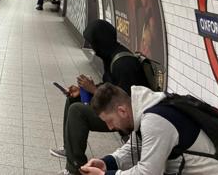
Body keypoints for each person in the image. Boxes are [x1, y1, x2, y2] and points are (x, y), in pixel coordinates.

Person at [51, 19, 149, 175]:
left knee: (77, 111)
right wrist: (85, 90)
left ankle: (76, 169)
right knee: (73, 99)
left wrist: (93, 89)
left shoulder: (123, 64)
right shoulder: (111, 55)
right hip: (116, 110)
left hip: (125, 119)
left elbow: (124, 104)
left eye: (92, 43)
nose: (92, 48)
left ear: (100, 42)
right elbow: (109, 86)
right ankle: (69, 149)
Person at [80, 83, 218, 175]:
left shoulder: (155, 121)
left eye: (110, 121)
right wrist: (107, 163)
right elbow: (133, 148)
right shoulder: (146, 108)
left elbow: (148, 172)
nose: (110, 127)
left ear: (122, 111)